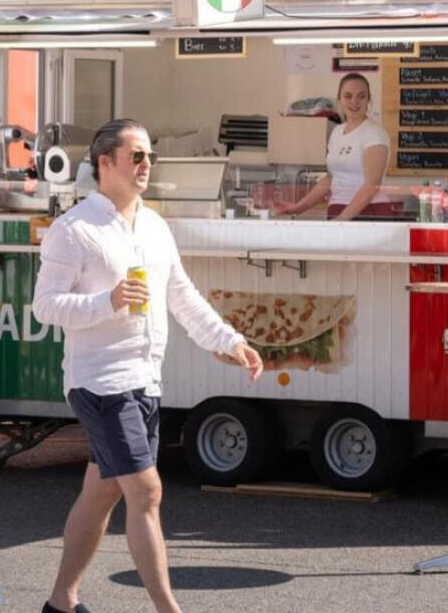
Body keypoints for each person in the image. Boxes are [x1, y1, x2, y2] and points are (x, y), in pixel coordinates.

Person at [33, 119, 264, 613]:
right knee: (147, 490)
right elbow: (46, 307)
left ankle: (60, 601)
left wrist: (229, 340)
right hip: (99, 381)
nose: (146, 166)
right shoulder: (73, 229)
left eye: (149, 157)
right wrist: (108, 300)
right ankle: (167, 609)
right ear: (104, 163)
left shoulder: (155, 226)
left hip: (143, 379)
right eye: (136, 156)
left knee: (102, 494)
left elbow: (182, 297)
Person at [276, 73, 394, 221]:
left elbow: (372, 185)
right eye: (348, 96)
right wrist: (297, 208)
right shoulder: (337, 132)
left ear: (369, 100)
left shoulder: (375, 133)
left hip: (368, 212)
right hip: (338, 209)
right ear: (339, 100)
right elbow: (331, 179)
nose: (354, 102)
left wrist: (342, 220)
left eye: (361, 96)